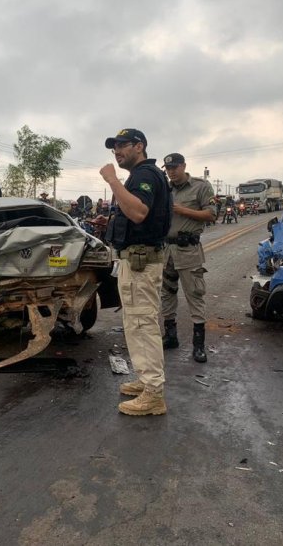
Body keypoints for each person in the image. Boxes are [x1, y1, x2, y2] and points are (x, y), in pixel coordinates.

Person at [101, 128, 172, 416]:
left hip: (143, 263)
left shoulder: (145, 174)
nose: (117, 151)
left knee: (142, 326)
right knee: (136, 324)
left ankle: (154, 394)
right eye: (114, 147)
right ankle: (146, 381)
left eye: (122, 146)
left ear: (139, 146)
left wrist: (112, 180)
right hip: (136, 261)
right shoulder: (142, 175)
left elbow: (139, 212)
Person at [159, 153, 217, 363]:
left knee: (195, 293)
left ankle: (198, 345)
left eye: (175, 167)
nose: (171, 172)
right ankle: (170, 336)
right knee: (167, 293)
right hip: (167, 250)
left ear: (184, 166)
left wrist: (180, 209)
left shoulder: (201, 187)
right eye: (168, 168)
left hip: (188, 249)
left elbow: (211, 214)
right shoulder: (165, 188)